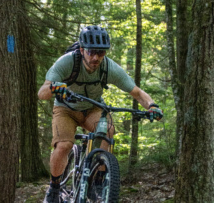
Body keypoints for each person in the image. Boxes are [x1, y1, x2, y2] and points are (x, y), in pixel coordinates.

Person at [38, 25, 163, 203]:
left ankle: (97, 182)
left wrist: (152, 106)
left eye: (101, 53)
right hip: (66, 109)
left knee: (108, 132)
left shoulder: (108, 67)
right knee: (64, 145)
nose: (96, 57)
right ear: (82, 50)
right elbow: (42, 93)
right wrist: (53, 87)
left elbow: (137, 92)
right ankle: (54, 187)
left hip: (93, 108)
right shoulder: (66, 63)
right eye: (91, 52)